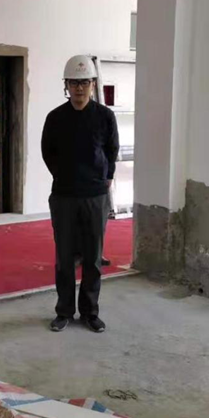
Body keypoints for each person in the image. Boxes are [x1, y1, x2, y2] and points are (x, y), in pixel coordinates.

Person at [41, 54, 119, 334]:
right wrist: (64, 177)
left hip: (95, 196)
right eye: (73, 83)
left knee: (93, 258)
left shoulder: (105, 116)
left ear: (92, 84)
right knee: (64, 258)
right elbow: (47, 152)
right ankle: (64, 312)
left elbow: (112, 149)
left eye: (84, 82)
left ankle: (90, 312)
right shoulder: (55, 118)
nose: (79, 88)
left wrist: (105, 177)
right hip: (64, 196)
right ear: (66, 85)